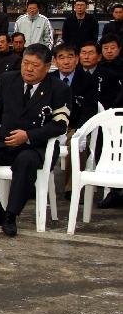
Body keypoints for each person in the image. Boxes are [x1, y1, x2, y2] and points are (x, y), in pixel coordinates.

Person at [0, 44, 71, 236]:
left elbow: (60, 125)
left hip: (36, 146)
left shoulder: (59, 88)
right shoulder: (7, 80)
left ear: (47, 67)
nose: (28, 69)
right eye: (25, 63)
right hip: (6, 141)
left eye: (35, 65)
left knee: (25, 161)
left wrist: (29, 136)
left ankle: (10, 216)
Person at [52, 43, 98, 198]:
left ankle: (72, 188)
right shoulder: (49, 80)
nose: (66, 61)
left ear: (77, 59)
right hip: (52, 126)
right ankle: (32, 183)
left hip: (75, 126)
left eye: (70, 57)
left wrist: (80, 130)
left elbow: (89, 110)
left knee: (76, 142)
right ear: (55, 61)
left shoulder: (88, 80)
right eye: (61, 57)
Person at [95, 34, 123, 109]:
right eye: (106, 48)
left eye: (113, 48)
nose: (109, 51)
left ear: (119, 48)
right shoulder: (96, 66)